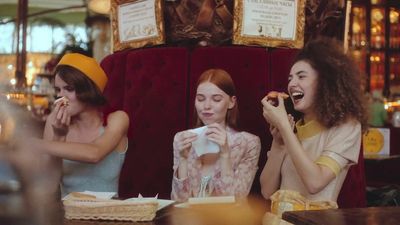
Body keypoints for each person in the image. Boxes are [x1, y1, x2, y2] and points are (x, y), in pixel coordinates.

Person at [259, 37, 368, 203]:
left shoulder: (347, 126)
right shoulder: (292, 125)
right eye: (290, 79)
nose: (292, 84)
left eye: (301, 77)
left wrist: (285, 128)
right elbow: (267, 191)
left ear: (325, 82)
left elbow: (315, 183)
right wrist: (278, 144)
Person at [18, 53, 129, 197]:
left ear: (88, 90)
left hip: (108, 214)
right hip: (68, 216)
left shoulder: (117, 119)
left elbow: (94, 153)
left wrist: (34, 143)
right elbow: (49, 186)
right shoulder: (55, 120)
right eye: (58, 90)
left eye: (68, 89)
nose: (60, 96)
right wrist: (59, 136)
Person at [171, 69, 261, 202]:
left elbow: (236, 201)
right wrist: (183, 160)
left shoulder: (248, 142)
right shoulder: (182, 138)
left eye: (216, 99)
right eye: (200, 99)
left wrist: (225, 154)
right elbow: (178, 202)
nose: (206, 106)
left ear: (231, 102)